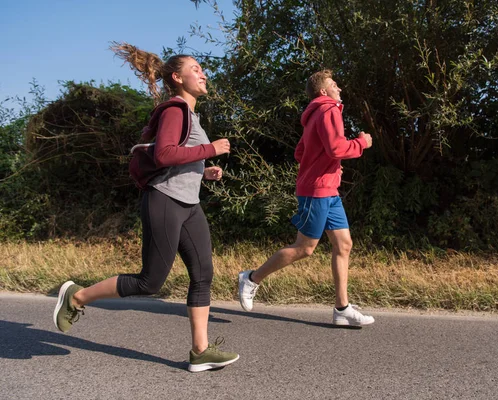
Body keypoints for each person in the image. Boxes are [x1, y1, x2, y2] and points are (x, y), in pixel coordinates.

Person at [53, 42, 239, 372]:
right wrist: (211, 148)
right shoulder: (174, 110)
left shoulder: (190, 114)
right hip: (164, 201)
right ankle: (77, 297)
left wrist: (203, 171)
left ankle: (201, 351)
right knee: (150, 282)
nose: (203, 73)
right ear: (177, 77)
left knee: (203, 274)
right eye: (195, 69)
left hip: (189, 204)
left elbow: (178, 159)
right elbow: (164, 155)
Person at [238, 69, 375, 326]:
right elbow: (336, 148)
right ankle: (252, 278)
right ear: (323, 91)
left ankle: (342, 309)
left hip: (327, 188)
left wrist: (327, 165)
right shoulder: (329, 109)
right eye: (335, 84)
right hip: (317, 190)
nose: (339, 89)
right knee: (305, 247)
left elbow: (301, 152)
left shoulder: (314, 115)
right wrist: (361, 143)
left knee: (344, 244)